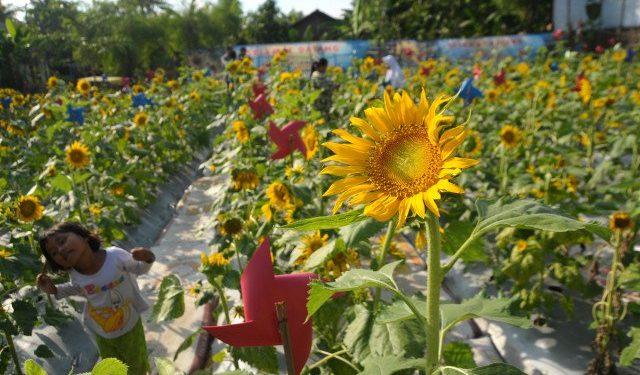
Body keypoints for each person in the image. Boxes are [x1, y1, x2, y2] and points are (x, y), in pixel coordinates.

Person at [36, 222, 156, 374]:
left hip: (130, 326)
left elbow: (139, 269)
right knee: (113, 369)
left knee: (136, 365)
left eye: (62, 241)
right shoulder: (75, 274)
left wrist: (148, 258)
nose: (60, 250)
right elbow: (76, 289)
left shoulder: (115, 256)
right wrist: (53, 290)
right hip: (102, 332)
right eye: (53, 253)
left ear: (84, 236)